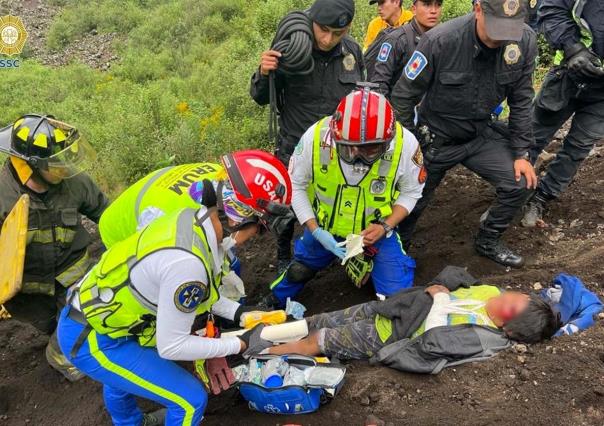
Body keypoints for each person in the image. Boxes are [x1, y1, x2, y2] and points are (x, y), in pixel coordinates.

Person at [56, 151, 290, 426]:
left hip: (103, 317)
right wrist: (239, 343)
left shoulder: (195, 220)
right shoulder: (188, 264)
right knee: (189, 401)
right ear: (241, 217)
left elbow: (205, 296)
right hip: (93, 338)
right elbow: (172, 345)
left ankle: (130, 423)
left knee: (129, 375)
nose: (256, 237)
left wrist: (241, 315)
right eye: (260, 228)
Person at [391, 0, 539, 268]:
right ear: (478, 9)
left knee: (520, 181)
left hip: (480, 134)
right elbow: (403, 96)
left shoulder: (524, 41)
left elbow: (521, 100)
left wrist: (521, 153)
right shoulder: (440, 41)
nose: (502, 37)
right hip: (436, 137)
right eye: (496, 28)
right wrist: (410, 145)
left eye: (509, 28)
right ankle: (396, 252)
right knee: (411, 201)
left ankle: (488, 239)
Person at [267, 86, 424, 309]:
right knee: (299, 270)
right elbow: (296, 185)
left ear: (387, 140)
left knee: (397, 300)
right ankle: (272, 301)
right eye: (349, 149)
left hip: (375, 233)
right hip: (324, 228)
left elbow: (411, 192)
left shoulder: (405, 145)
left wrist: (385, 227)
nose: (357, 157)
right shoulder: (316, 136)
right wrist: (315, 230)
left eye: (369, 150)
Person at [267, 266, 561, 372]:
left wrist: (441, 299)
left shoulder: (482, 334)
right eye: (519, 294)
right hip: (396, 307)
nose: (507, 293)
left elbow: (432, 341)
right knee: (325, 319)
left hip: (387, 334)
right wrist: (440, 288)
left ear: (508, 318)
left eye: (515, 299)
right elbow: (457, 278)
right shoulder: (491, 292)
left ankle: (260, 353)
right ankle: (268, 334)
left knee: (319, 341)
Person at [249, 0, 364, 271]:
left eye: (338, 33)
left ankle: (339, 245)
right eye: (323, 30)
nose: (328, 39)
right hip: (296, 144)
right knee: (286, 208)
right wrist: (264, 73)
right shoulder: (290, 52)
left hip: (337, 148)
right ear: (312, 20)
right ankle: (282, 254)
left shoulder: (353, 52)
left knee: (339, 197)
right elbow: (260, 98)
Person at [0, 114, 108, 381]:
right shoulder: (4, 199)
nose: (65, 166)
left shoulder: (74, 183)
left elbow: (108, 215)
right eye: (56, 162)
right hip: (29, 291)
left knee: (83, 323)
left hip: (74, 275)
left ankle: (61, 356)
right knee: (52, 325)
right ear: (31, 166)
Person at [522, 0, 604, 228]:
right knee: (531, 135)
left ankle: (541, 197)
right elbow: (550, 7)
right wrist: (573, 48)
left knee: (578, 147)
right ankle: (511, 195)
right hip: (569, 73)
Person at [365, 0, 444, 97]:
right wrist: (391, 110)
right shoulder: (396, 40)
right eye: (427, 5)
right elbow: (379, 83)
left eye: (438, 5)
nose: (433, 11)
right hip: (399, 106)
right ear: (414, 9)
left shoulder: (444, 40)